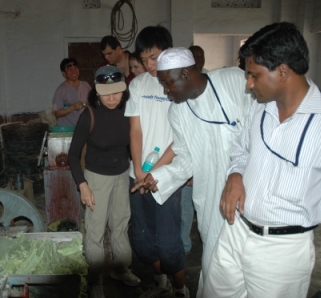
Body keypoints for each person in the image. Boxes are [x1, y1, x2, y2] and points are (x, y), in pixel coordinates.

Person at [203, 22, 321, 298]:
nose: (248, 84)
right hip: (235, 232)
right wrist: (235, 175)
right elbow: (241, 150)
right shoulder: (261, 108)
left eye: (254, 75)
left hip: (282, 252)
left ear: (282, 71)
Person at [134, 47, 253, 297]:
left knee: (253, 269)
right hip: (212, 200)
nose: (165, 91)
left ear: (186, 74)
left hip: (252, 191)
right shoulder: (178, 112)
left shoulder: (233, 80)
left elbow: (260, 124)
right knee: (216, 271)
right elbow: (184, 156)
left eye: (167, 83)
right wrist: (160, 177)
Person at [125, 26, 189, 298]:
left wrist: (156, 172)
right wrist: (139, 170)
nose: (150, 64)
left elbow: (182, 137)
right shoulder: (138, 85)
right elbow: (135, 130)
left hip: (168, 175)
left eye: (155, 57)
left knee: (168, 241)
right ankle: (160, 281)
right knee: (141, 236)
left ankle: (179, 288)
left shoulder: (179, 84)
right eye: (144, 58)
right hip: (139, 173)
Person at [68, 65, 140, 298]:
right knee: (96, 229)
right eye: (106, 92)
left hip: (121, 174)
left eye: (117, 92)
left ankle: (121, 269)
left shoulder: (129, 111)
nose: (112, 98)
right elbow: (72, 154)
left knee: (120, 225)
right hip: (96, 178)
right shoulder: (88, 115)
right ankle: (95, 278)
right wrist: (83, 185)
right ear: (97, 91)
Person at [52, 58, 91, 126]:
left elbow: (93, 103)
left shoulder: (86, 85)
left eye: (75, 68)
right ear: (63, 73)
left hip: (84, 128)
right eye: (70, 69)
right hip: (67, 130)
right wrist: (72, 108)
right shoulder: (61, 90)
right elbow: (57, 114)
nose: (74, 71)